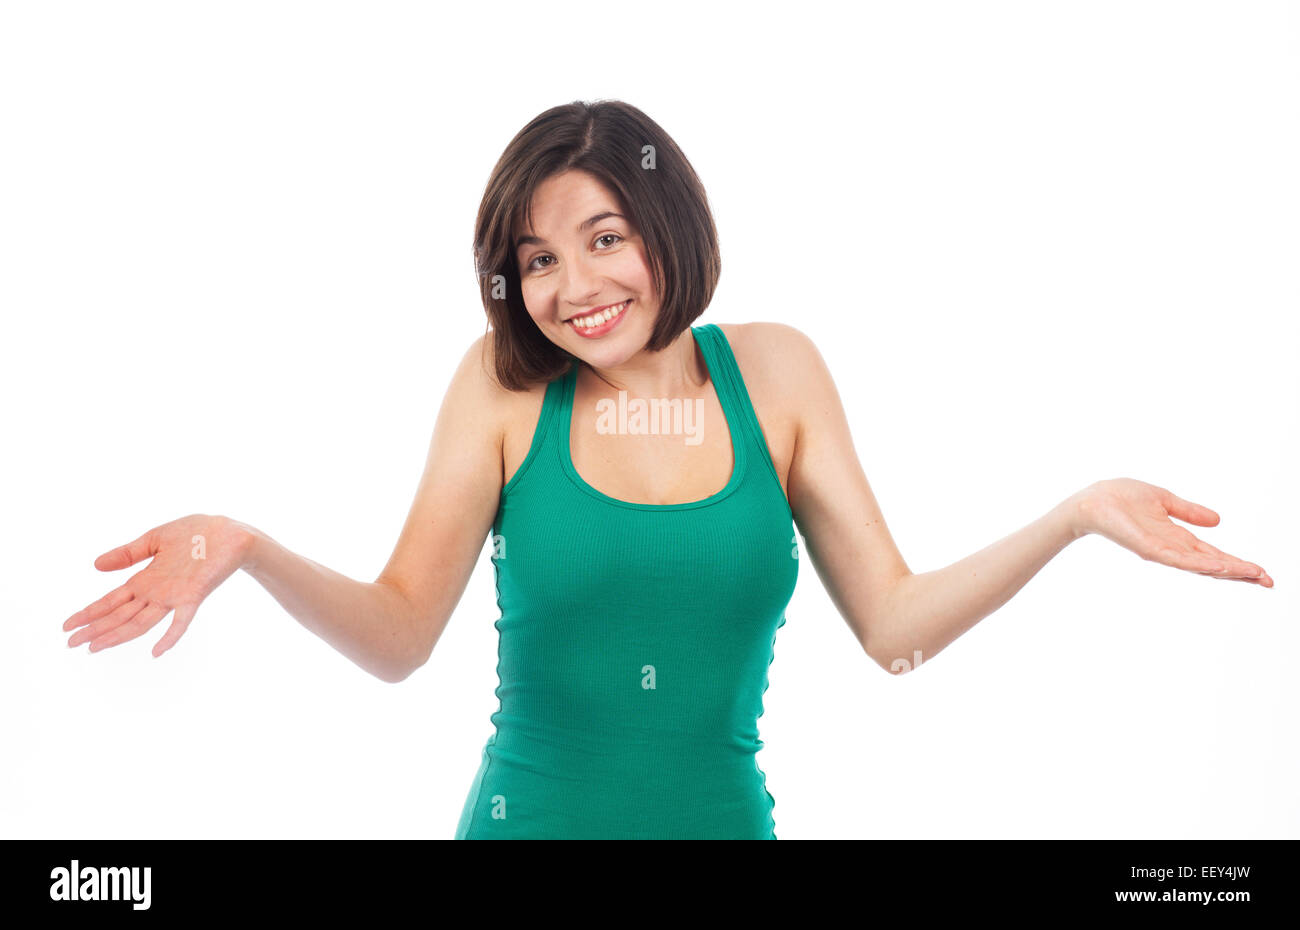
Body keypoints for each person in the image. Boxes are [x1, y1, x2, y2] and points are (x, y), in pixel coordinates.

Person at [61, 100, 1273, 839]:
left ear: (668, 231)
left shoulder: (778, 375)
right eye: (537, 260)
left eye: (605, 239)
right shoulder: (502, 388)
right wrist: (250, 547)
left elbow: (894, 628)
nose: (575, 290)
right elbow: (396, 639)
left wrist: (1071, 519)